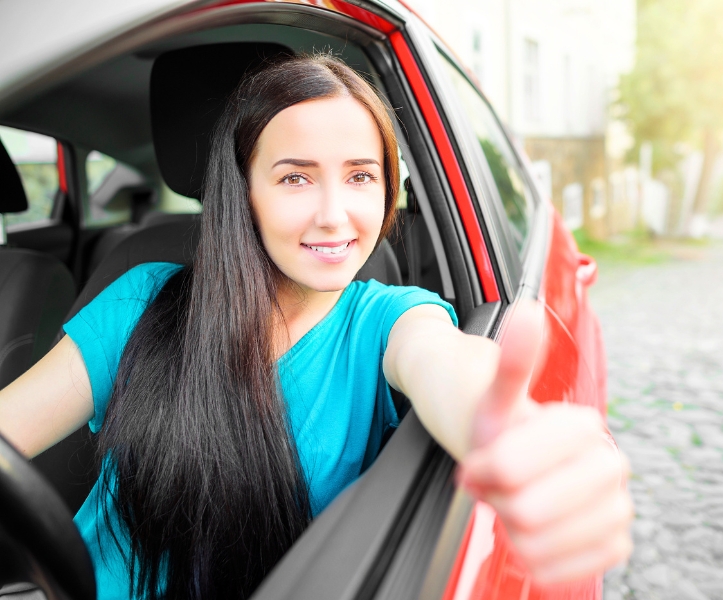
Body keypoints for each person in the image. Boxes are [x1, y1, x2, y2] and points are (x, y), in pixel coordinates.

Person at [0, 55, 632, 600]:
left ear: (388, 191)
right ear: (244, 191)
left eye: (361, 176)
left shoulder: (388, 321)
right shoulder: (144, 301)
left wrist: (517, 433)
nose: (335, 216)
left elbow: (448, 364)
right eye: (296, 177)